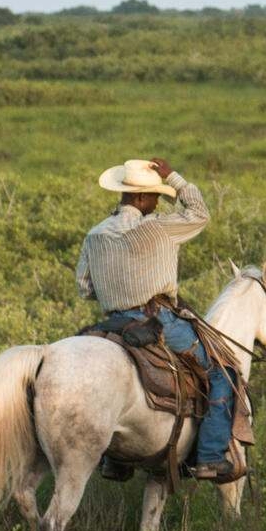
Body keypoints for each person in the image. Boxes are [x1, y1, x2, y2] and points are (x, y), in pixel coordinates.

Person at [77, 158, 243, 484]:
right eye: (155, 195)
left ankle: (115, 459)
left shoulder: (95, 234)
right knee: (223, 371)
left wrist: (118, 289)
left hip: (112, 324)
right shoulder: (159, 227)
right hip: (158, 319)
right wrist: (174, 179)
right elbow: (200, 213)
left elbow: (85, 288)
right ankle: (210, 457)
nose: (157, 202)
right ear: (140, 198)